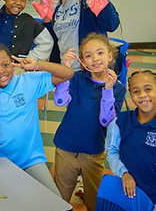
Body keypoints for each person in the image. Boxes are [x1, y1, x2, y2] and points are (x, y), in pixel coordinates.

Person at [0, 43, 74, 196]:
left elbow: (67, 74)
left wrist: (37, 65)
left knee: (55, 202)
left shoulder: (28, 81)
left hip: (31, 159)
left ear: (13, 64)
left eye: (5, 65)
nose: (1, 71)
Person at [53, 33, 126, 211]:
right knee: (59, 197)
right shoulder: (76, 78)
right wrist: (65, 71)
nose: (95, 58)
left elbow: (106, 120)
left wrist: (107, 90)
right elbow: (60, 101)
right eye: (88, 55)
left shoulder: (117, 88)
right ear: (83, 60)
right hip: (66, 148)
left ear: (110, 56)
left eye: (100, 53)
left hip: (93, 152)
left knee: (95, 200)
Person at [36, 0, 120, 70]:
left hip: (91, 69)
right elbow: (57, 41)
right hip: (67, 69)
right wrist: (47, 21)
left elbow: (111, 24)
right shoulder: (58, 7)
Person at [106, 70, 156, 206]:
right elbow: (112, 151)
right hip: (126, 192)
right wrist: (124, 174)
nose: (143, 95)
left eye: (148, 89)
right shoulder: (120, 121)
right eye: (136, 91)